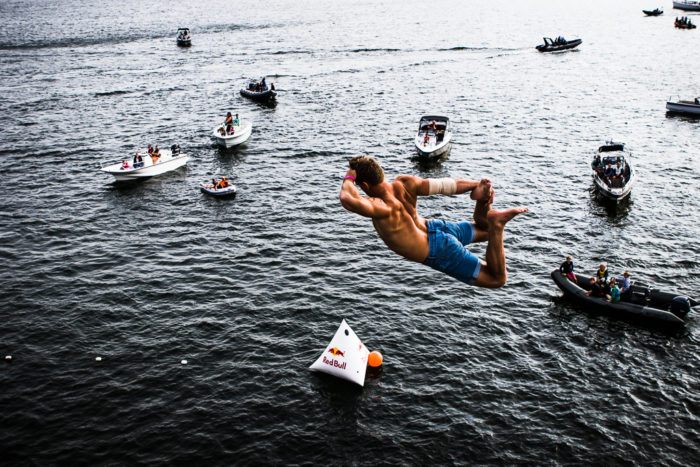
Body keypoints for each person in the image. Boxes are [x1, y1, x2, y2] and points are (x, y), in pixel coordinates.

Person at [339, 156, 528, 288]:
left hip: (438, 249)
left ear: (365, 185)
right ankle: (485, 207)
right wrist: (477, 186)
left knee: (497, 279)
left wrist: (349, 177)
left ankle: (497, 224)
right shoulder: (404, 182)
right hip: (436, 227)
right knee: (485, 231)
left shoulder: (382, 206)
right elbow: (445, 185)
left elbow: (347, 198)